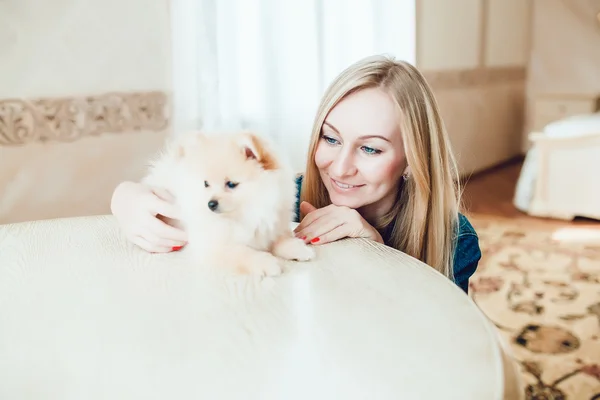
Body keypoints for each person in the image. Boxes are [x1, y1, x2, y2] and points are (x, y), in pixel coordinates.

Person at [110, 55, 481, 294]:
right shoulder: (283, 198)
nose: (339, 167)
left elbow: (431, 341)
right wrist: (126, 198)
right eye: (330, 138)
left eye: (370, 148)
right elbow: (198, 207)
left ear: (412, 160)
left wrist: (375, 250)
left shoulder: (455, 238)